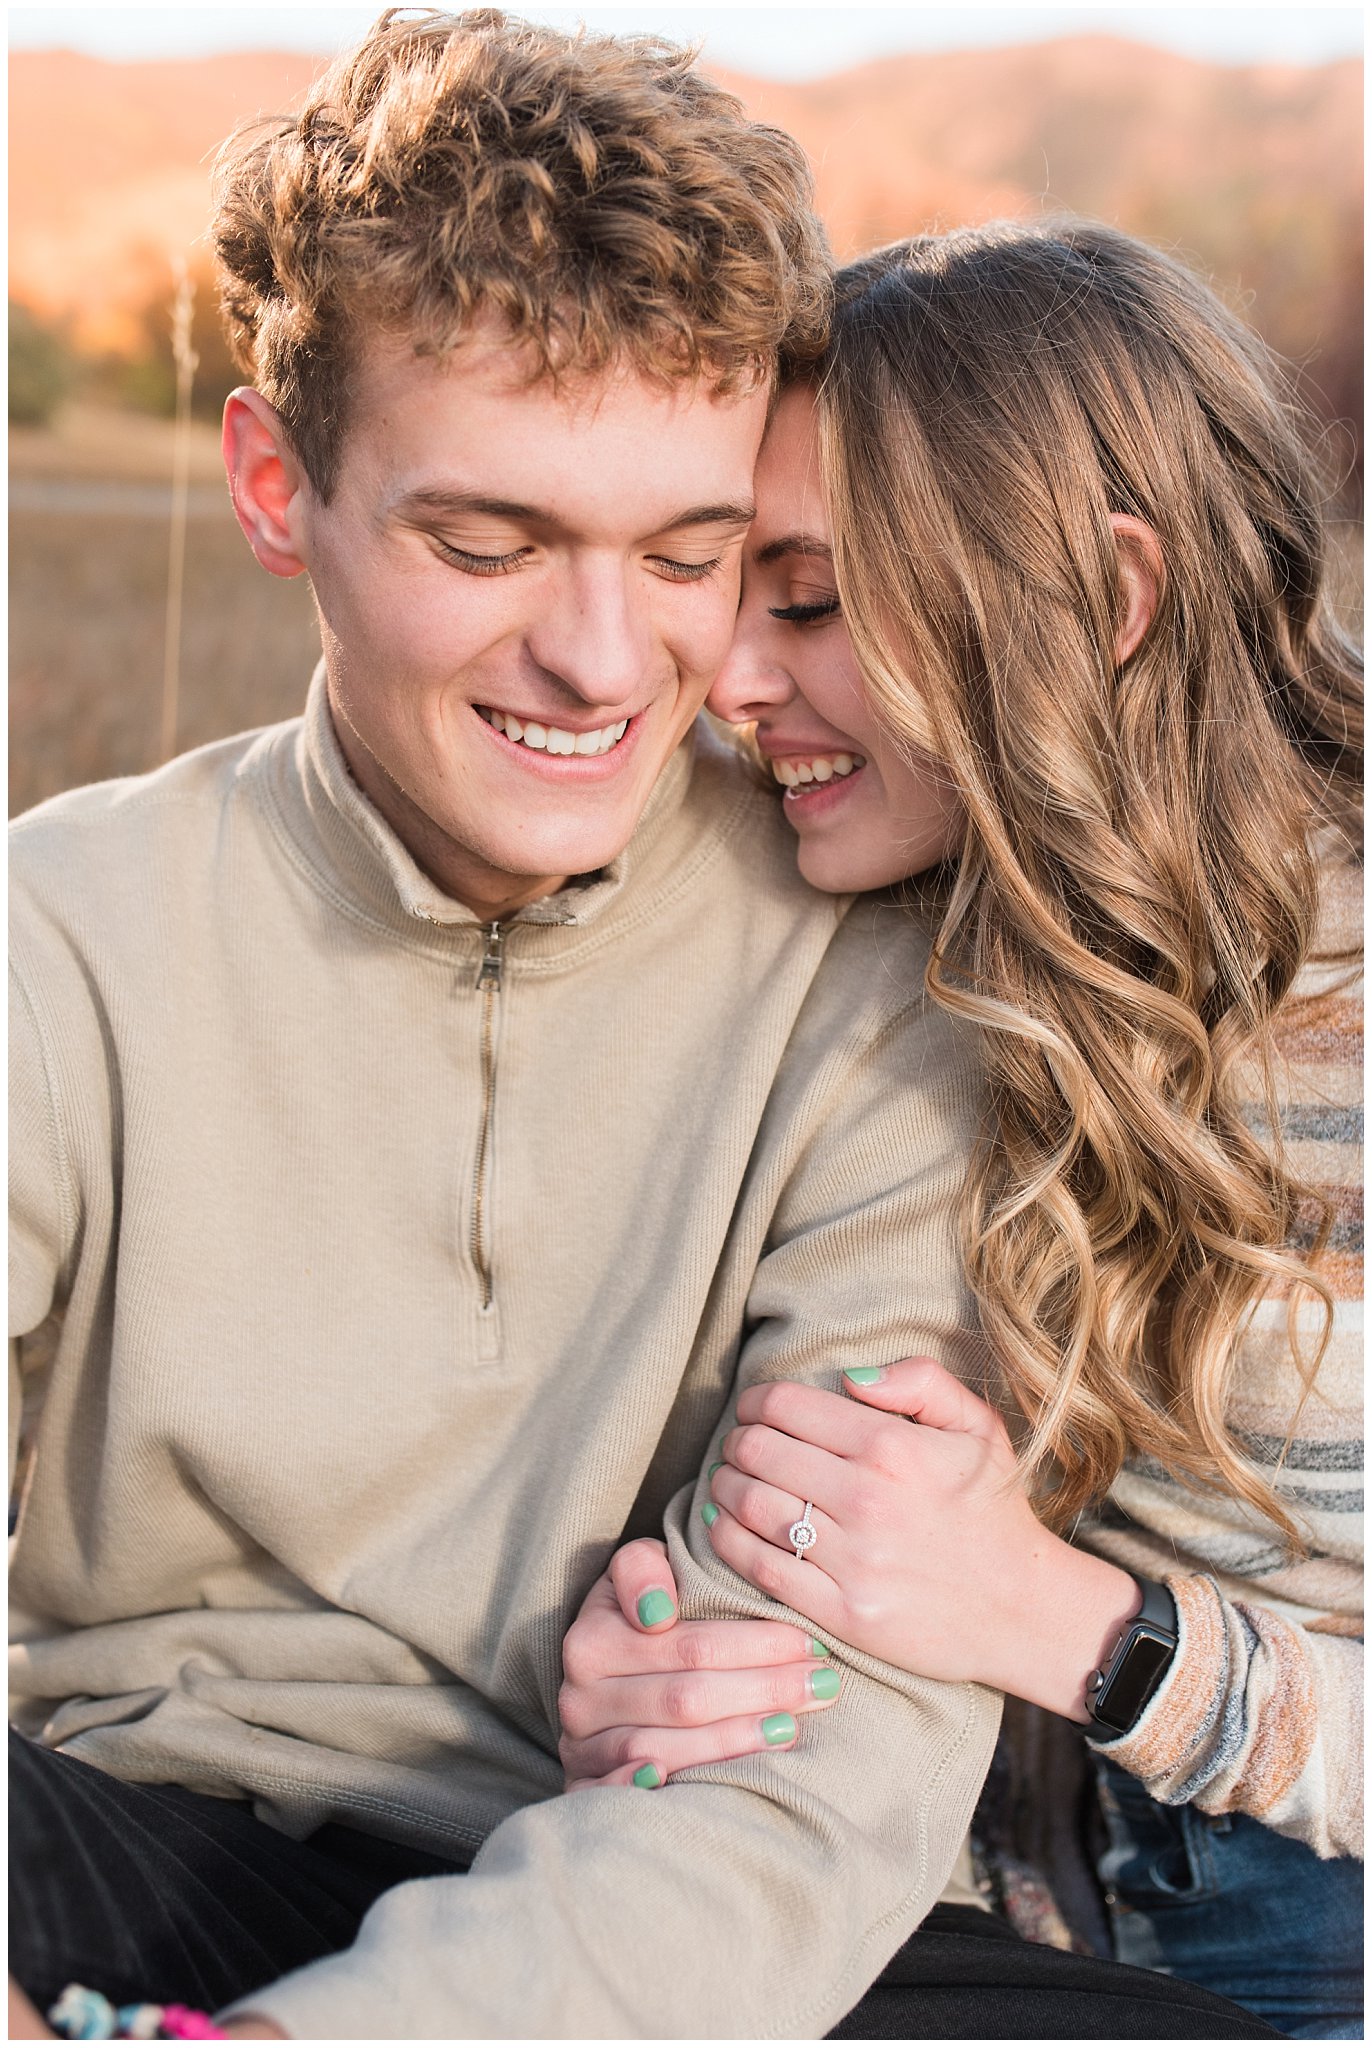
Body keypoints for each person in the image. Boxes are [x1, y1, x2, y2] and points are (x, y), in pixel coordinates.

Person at [9, 17, 1279, 2042]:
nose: (608, 662)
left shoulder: (889, 977)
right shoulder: (51, 950)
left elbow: (812, 1761)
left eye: (692, 553)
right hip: (118, 1835)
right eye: (485, 540)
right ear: (279, 484)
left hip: (646, 1893)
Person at [557, 222, 1363, 2040]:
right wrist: (657, 1657)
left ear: (1111, 596)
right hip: (933, 1866)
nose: (733, 683)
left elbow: (995, 1586)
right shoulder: (857, 902)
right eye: (728, 587)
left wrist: (1090, 1634)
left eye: (815, 601)